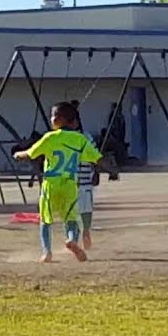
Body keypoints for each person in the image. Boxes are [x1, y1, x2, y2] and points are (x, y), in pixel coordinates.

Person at [14, 101, 101, 263]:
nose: (51, 119)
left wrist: (19, 155)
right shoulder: (80, 139)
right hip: (70, 184)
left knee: (45, 220)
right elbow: (97, 158)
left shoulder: (50, 137)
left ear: (59, 119)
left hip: (51, 184)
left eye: (53, 116)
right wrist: (110, 169)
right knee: (71, 218)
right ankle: (72, 240)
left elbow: (32, 153)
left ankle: (47, 252)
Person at [70, 100, 100, 250]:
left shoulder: (82, 137)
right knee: (82, 211)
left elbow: (95, 157)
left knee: (77, 212)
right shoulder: (85, 137)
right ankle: (80, 234)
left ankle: (79, 235)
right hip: (79, 181)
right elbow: (96, 157)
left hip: (75, 181)